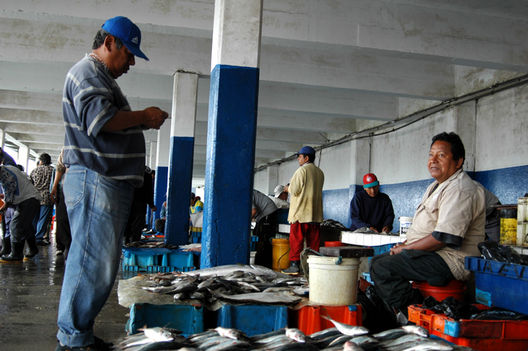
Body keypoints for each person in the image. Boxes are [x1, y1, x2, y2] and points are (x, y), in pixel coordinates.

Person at [56, 16, 168, 351]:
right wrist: (143, 117)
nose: (131, 61)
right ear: (109, 43)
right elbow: (99, 121)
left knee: (97, 265)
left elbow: (104, 121)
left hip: (102, 180)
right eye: (129, 52)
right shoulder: (88, 72)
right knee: (92, 263)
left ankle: (78, 335)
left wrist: (138, 125)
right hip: (95, 177)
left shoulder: (97, 75)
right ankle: (73, 340)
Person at [370, 132, 486, 323]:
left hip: (451, 260)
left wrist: (406, 249)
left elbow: (444, 238)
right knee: (381, 260)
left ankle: (418, 316)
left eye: (441, 155)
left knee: (382, 267)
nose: (433, 160)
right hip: (434, 255)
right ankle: (404, 314)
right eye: (431, 155)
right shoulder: (436, 186)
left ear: (458, 162)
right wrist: (405, 244)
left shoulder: (461, 188)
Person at [282, 146, 324, 274]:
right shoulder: (319, 172)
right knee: (313, 243)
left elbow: (294, 191)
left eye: (299, 156)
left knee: (296, 241)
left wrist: (286, 188)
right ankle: (313, 268)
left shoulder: (301, 171)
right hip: (315, 215)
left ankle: (295, 266)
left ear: (306, 158)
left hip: (300, 213)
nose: (298, 159)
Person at [0, 164, 41, 262]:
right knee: (25, 226)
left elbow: (9, 194)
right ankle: (33, 249)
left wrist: (3, 208)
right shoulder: (8, 168)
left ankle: (16, 255)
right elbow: (14, 188)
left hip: (27, 200)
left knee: (15, 225)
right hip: (31, 198)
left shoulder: (4, 174)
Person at [124, 166, 156, 244]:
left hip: (127, 201)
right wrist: (151, 205)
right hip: (140, 203)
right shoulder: (146, 174)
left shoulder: (127, 171)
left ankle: (126, 241)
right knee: (137, 224)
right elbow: (149, 191)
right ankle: (134, 242)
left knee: (127, 222)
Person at [30, 153, 55, 245]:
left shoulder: (34, 170)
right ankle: (38, 238)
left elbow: (30, 183)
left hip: (35, 196)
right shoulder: (53, 170)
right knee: (43, 218)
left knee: (34, 218)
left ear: (41, 161)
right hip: (47, 196)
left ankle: (32, 236)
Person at [50, 148, 71, 257]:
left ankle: (68, 246)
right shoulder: (67, 148)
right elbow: (60, 167)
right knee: (62, 218)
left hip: (85, 187)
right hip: (65, 187)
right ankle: (64, 245)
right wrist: (54, 187)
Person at [252, 189, 279, 268]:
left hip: (268, 213)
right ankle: (261, 262)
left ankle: (265, 264)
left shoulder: (245, 193)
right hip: (263, 215)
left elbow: (253, 211)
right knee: (256, 233)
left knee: (263, 238)